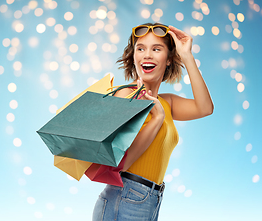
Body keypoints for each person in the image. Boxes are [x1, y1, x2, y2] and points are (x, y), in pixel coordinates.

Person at [92, 23, 214, 221]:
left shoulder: (167, 103)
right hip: (124, 198)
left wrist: (187, 56)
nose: (147, 55)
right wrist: (156, 120)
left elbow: (205, 108)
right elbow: (119, 165)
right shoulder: (126, 96)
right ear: (134, 56)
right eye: (140, 48)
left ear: (168, 60)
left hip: (151, 199)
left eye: (156, 49)